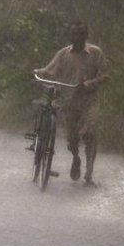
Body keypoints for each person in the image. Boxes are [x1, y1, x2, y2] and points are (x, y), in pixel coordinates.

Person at [33, 21, 109, 186]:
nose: (77, 38)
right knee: (72, 139)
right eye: (74, 34)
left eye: (81, 34)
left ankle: (89, 175)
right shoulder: (63, 54)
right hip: (69, 103)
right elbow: (49, 70)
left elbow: (105, 75)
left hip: (89, 102)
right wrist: (38, 72)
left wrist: (89, 83)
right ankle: (76, 157)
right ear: (71, 35)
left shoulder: (95, 53)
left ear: (86, 35)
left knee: (90, 132)